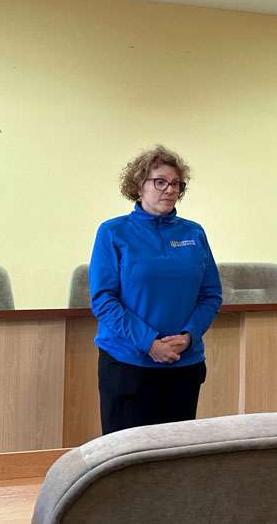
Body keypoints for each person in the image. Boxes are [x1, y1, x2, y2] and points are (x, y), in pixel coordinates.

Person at [89, 145, 222, 434]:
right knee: (125, 463)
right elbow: (103, 299)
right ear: (139, 186)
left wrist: (188, 336)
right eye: (160, 182)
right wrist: (150, 343)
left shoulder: (194, 233)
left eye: (176, 184)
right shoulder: (113, 232)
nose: (169, 190)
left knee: (174, 461)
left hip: (183, 364)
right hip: (128, 364)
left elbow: (211, 294)